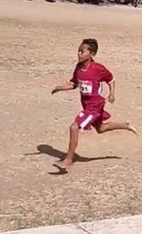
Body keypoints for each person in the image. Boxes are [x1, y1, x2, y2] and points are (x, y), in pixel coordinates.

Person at [51, 39, 137, 172]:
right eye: (78, 51)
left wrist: (112, 93)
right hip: (87, 106)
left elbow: (111, 79)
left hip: (95, 105)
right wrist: (61, 88)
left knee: (74, 127)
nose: (79, 54)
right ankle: (125, 125)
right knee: (101, 129)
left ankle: (68, 159)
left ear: (92, 54)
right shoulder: (78, 68)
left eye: (82, 51)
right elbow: (74, 84)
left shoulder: (98, 69)